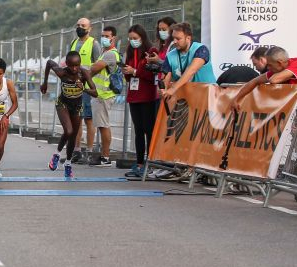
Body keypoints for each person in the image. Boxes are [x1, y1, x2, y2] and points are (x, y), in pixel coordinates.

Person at [40, 51, 99, 179]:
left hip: (77, 107)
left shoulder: (83, 73)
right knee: (68, 131)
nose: (74, 69)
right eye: (71, 65)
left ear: (79, 64)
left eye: (76, 65)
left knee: (73, 137)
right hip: (63, 104)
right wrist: (44, 83)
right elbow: (49, 63)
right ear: (66, 64)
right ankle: (56, 155)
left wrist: (83, 89)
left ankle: (68, 164)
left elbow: (95, 93)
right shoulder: (62, 72)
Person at [233, 46, 297, 109]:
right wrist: (237, 99)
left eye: (270, 65)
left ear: (280, 63)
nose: (268, 68)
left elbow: (274, 80)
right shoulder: (278, 69)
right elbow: (254, 81)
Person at [121, 25, 159, 179]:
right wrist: (127, 72)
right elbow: (129, 78)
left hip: (148, 96)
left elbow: (152, 75)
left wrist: (135, 71)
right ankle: (139, 163)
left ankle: (150, 163)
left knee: (148, 130)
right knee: (138, 131)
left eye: (135, 39)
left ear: (142, 38)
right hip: (134, 96)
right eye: (130, 39)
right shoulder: (130, 53)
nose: (132, 41)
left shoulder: (150, 52)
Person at [86, 25, 122, 166]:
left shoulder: (110, 54)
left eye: (107, 36)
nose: (104, 38)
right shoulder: (104, 52)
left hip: (103, 95)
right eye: (102, 36)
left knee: (104, 125)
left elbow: (93, 69)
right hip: (99, 95)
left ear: (114, 38)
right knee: (101, 125)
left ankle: (105, 157)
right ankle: (103, 155)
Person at [69, 18, 101, 163]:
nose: (80, 27)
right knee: (76, 119)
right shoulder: (74, 43)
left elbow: (99, 65)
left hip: (87, 87)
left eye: (83, 25)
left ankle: (89, 151)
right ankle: (76, 151)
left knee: (88, 119)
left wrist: (86, 79)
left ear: (90, 28)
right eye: (78, 25)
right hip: (74, 88)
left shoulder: (94, 44)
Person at [158, 22, 216, 99]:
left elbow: (191, 70)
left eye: (178, 39)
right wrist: (163, 89)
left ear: (188, 38)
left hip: (208, 97)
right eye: (173, 38)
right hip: (187, 100)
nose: (175, 41)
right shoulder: (170, 56)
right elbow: (165, 78)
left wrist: (173, 89)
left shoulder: (201, 49)